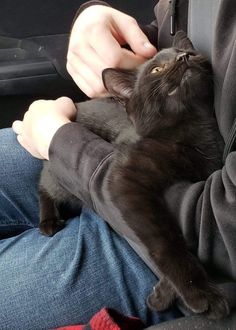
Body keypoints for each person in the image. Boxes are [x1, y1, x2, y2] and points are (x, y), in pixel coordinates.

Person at [0, 0, 236, 329]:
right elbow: (176, 37)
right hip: (132, 148)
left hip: (177, 232)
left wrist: (60, 142)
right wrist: (101, 24)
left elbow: (224, 230)